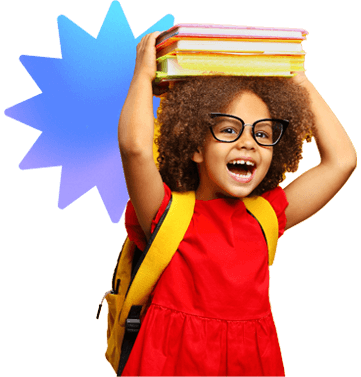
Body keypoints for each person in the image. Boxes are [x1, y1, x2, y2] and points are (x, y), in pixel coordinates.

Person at [117, 31, 356, 377]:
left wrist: (295, 76)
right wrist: (143, 76)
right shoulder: (165, 210)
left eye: (262, 133)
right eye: (229, 130)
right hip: (169, 361)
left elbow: (342, 161)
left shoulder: (266, 214)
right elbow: (135, 148)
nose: (248, 143)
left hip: (250, 363)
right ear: (195, 147)